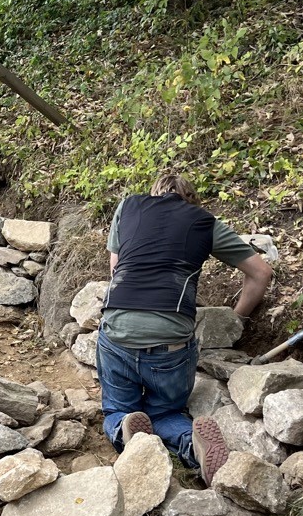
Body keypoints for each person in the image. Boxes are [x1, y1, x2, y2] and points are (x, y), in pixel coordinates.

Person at [98, 173, 273, 484]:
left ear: (153, 193)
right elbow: (261, 272)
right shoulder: (203, 221)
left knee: (117, 407)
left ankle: (125, 427)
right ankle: (192, 445)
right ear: (192, 199)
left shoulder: (128, 207)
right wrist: (237, 319)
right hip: (170, 339)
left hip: (117, 329)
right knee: (166, 413)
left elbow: (116, 269)